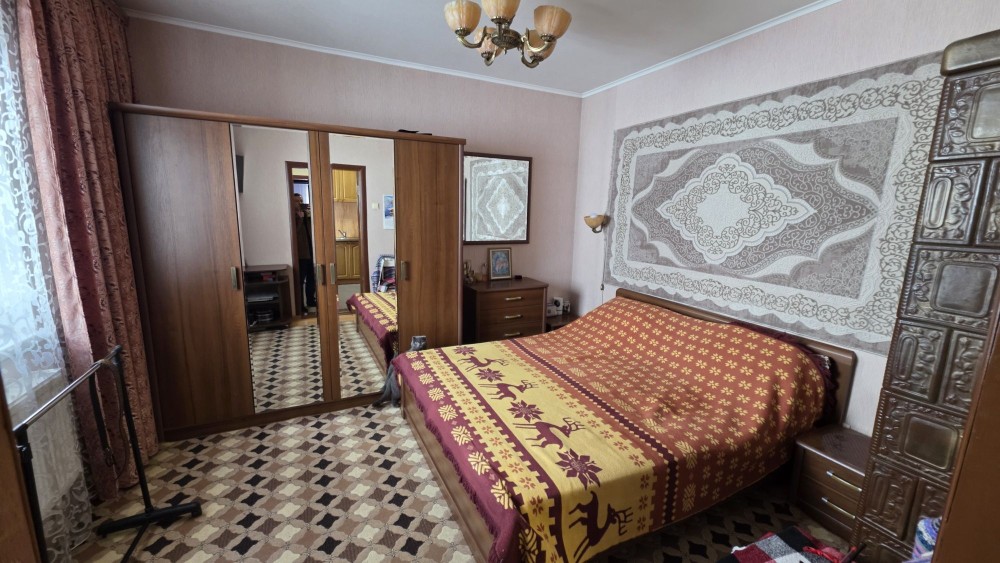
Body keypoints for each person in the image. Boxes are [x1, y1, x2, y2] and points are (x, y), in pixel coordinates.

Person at [293, 193, 316, 313]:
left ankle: (311, 300)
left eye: (301, 201)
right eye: (297, 201)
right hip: (301, 254)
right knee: (300, 281)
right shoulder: (292, 216)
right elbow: (294, 233)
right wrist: (300, 218)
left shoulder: (306, 214)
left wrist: (308, 215)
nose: (299, 203)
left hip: (311, 251)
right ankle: (300, 305)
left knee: (312, 278)